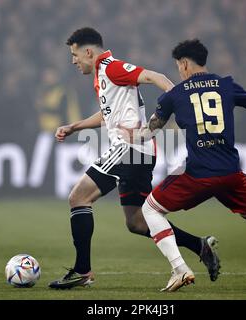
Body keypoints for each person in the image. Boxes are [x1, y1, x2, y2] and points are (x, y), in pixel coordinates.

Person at [48, 28, 220, 289]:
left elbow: (155, 76)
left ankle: (83, 270)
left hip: (130, 148)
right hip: (140, 151)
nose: (73, 61)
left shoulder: (112, 67)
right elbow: (108, 116)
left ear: (88, 51)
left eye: (74, 55)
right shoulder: (103, 77)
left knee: (78, 197)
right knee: (137, 222)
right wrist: (75, 127)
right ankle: (199, 245)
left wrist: (181, 99)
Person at [134, 39, 246, 292]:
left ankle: (180, 269)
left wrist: (128, 134)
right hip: (230, 173)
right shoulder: (226, 85)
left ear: (183, 64)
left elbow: (149, 131)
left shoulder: (174, 95)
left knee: (150, 209)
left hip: (197, 174)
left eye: (178, 66)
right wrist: (243, 98)